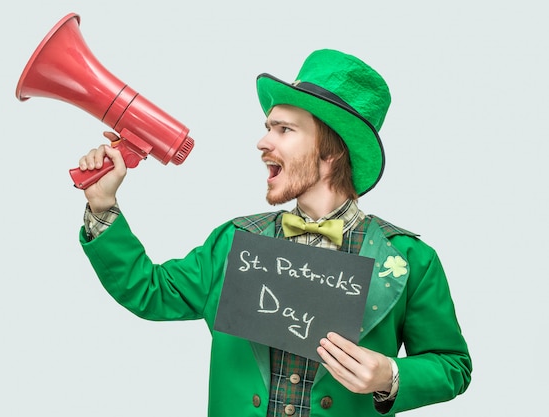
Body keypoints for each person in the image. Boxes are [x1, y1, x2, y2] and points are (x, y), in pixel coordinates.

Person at [77, 49, 472, 416]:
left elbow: (451, 364)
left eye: (284, 130)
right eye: (269, 127)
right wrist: (102, 206)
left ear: (331, 150)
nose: (263, 142)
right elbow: (151, 291)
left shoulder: (409, 259)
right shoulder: (234, 242)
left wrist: (390, 376)